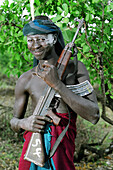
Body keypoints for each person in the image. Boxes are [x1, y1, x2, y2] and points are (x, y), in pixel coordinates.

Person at [10, 15, 100, 170]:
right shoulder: (26, 79)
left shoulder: (76, 69)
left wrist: (58, 85)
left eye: (41, 39)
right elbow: (14, 122)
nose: (35, 45)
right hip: (32, 154)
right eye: (30, 40)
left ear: (54, 38)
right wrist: (23, 123)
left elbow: (94, 115)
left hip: (62, 156)